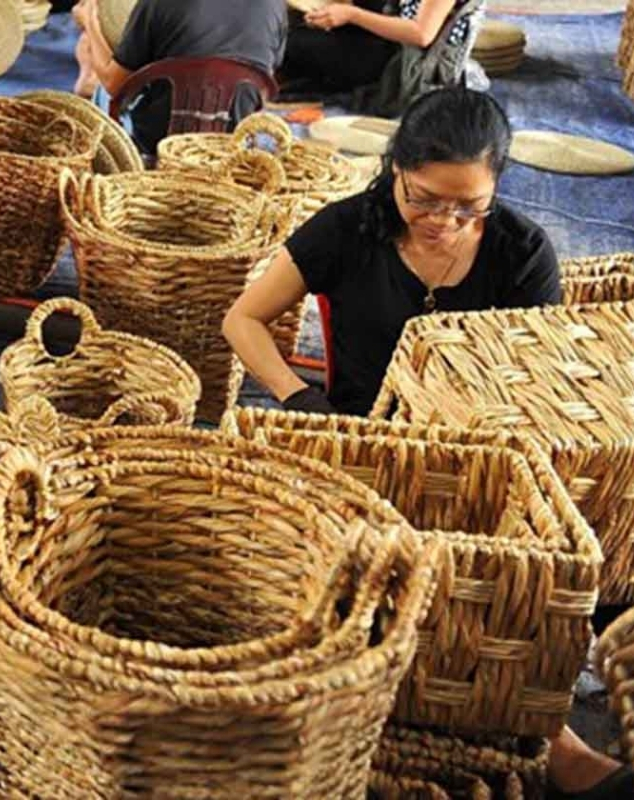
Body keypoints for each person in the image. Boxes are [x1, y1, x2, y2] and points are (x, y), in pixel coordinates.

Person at [223, 86, 632, 800]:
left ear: (497, 185)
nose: (445, 220)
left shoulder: (522, 252)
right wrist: (300, 398)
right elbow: (244, 320)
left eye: (468, 205)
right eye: (424, 199)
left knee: (530, 565)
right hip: (364, 441)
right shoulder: (349, 228)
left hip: (482, 450)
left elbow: (527, 385)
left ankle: (548, 733)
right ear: (394, 171)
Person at [72, 0, 287, 153]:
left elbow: (113, 83)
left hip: (160, 138)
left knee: (102, 91)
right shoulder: (276, 5)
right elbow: (267, 76)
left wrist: (91, 21)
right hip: (237, 136)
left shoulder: (156, 4)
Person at [281, 0, 482, 114]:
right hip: (398, 43)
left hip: (410, 67)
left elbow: (421, 34)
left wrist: (353, 15)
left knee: (293, 41)